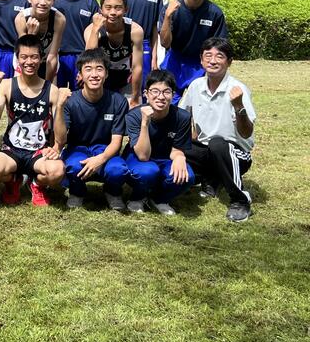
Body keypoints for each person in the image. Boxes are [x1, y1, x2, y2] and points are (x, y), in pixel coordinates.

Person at [179, 38, 256, 222]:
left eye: (219, 56)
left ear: (229, 62)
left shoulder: (238, 89)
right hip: (207, 151)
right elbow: (181, 117)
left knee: (217, 144)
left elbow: (246, 133)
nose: (213, 61)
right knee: (173, 145)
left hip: (235, 153)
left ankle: (240, 200)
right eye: (208, 56)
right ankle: (210, 179)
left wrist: (239, 106)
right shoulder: (196, 86)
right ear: (201, 60)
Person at [0, 35, 65, 206]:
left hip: (39, 152)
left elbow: (61, 137)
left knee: (57, 172)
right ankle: (13, 180)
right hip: (11, 150)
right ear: (17, 59)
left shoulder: (52, 90)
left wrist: (59, 106)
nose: (29, 62)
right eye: (24, 57)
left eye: (34, 57)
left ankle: (36, 183)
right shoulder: (7, 85)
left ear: (41, 58)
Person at [53, 48, 129, 211]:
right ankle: (77, 192)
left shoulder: (118, 101)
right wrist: (59, 106)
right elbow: (60, 139)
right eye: (88, 69)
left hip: (105, 149)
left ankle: (113, 192)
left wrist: (99, 159)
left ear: (106, 73)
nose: (94, 74)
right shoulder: (70, 101)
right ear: (80, 74)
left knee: (118, 170)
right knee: (73, 166)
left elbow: (117, 142)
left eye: (99, 69)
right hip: (77, 149)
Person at [124, 70, 194, 215]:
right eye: (155, 91)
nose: (160, 97)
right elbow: (143, 156)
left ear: (173, 94)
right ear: (146, 93)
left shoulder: (182, 117)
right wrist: (144, 123)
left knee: (188, 176)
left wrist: (180, 157)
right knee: (148, 171)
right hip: (138, 158)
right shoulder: (134, 116)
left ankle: (159, 199)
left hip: (165, 158)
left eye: (166, 92)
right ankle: (137, 197)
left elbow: (177, 149)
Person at [160, 0, 227, 100]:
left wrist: (212, 65)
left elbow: (220, 46)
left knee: (199, 102)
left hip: (200, 63)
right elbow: (165, 43)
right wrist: (167, 16)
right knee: (167, 100)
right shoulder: (171, 9)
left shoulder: (214, 13)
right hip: (174, 59)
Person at [84, 0, 144, 107]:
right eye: (108, 8)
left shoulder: (135, 30)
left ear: (126, 9)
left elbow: (137, 67)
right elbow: (88, 59)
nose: (112, 12)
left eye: (118, 8)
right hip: (101, 79)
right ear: (101, 10)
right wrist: (96, 30)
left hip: (125, 78)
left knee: (134, 110)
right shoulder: (91, 29)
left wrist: (136, 96)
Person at [113, 0, 163, 86]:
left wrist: (154, 57)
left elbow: (155, 27)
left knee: (143, 87)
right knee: (118, 87)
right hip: (119, 45)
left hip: (144, 46)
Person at [53, 0, 100, 90]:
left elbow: (95, 33)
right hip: (58, 56)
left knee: (81, 95)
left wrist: (87, 63)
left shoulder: (90, 3)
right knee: (57, 95)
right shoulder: (53, 1)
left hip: (81, 56)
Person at [14, 0, 65, 82]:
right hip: (25, 60)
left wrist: (47, 86)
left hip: (48, 60)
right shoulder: (21, 18)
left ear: (54, 0)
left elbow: (52, 56)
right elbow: (25, 52)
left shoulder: (59, 19)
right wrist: (31, 35)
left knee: (51, 89)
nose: (43, 2)